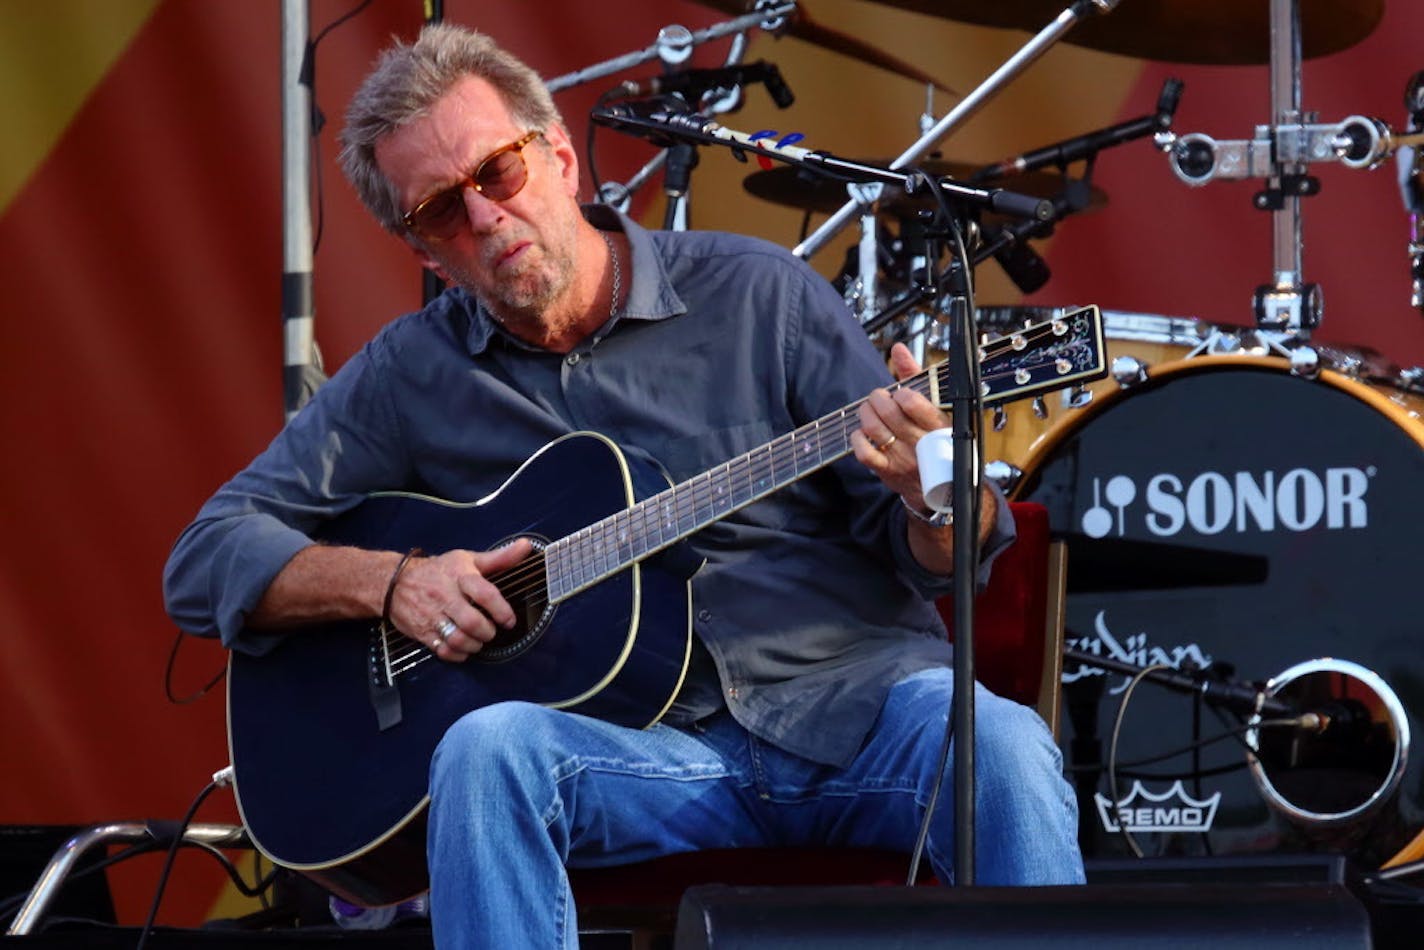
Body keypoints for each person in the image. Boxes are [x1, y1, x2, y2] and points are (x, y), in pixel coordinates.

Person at [163, 23, 1083, 948]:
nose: (483, 217)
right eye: (442, 210)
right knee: (486, 753)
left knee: (997, 742)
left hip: (857, 711)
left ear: (560, 157)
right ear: (425, 250)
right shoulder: (413, 375)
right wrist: (398, 584)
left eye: (498, 173)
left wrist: (934, 494)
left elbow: (927, 548)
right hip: (644, 758)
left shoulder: (761, 294)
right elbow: (206, 556)